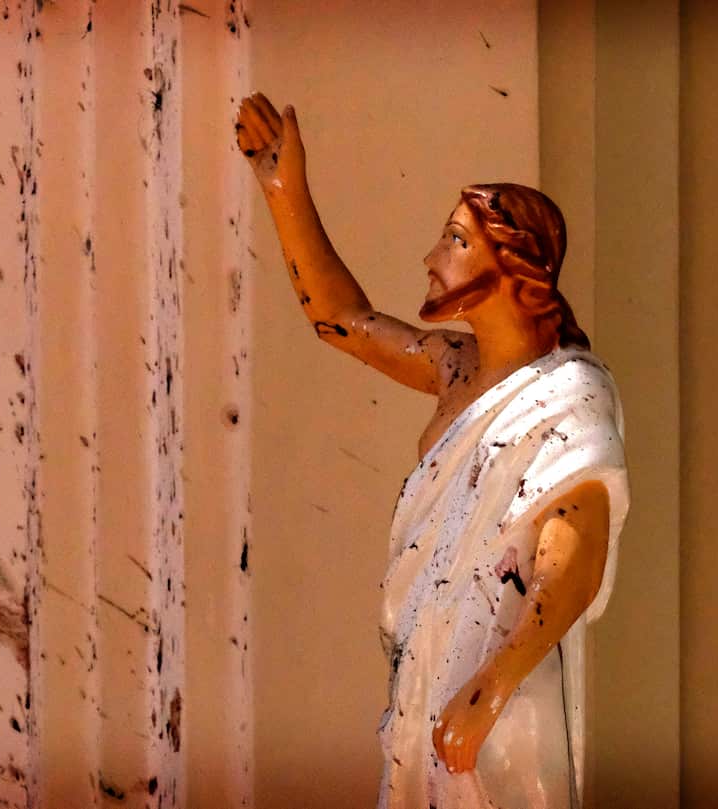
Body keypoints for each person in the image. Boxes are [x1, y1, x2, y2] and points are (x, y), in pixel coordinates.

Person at [235, 92, 630, 809]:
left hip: (503, 702)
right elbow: (343, 321)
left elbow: (573, 557)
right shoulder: (455, 368)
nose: (431, 257)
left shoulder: (571, 391)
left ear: (514, 264)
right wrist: (284, 190)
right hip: (423, 678)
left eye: (454, 240)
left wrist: (495, 682)